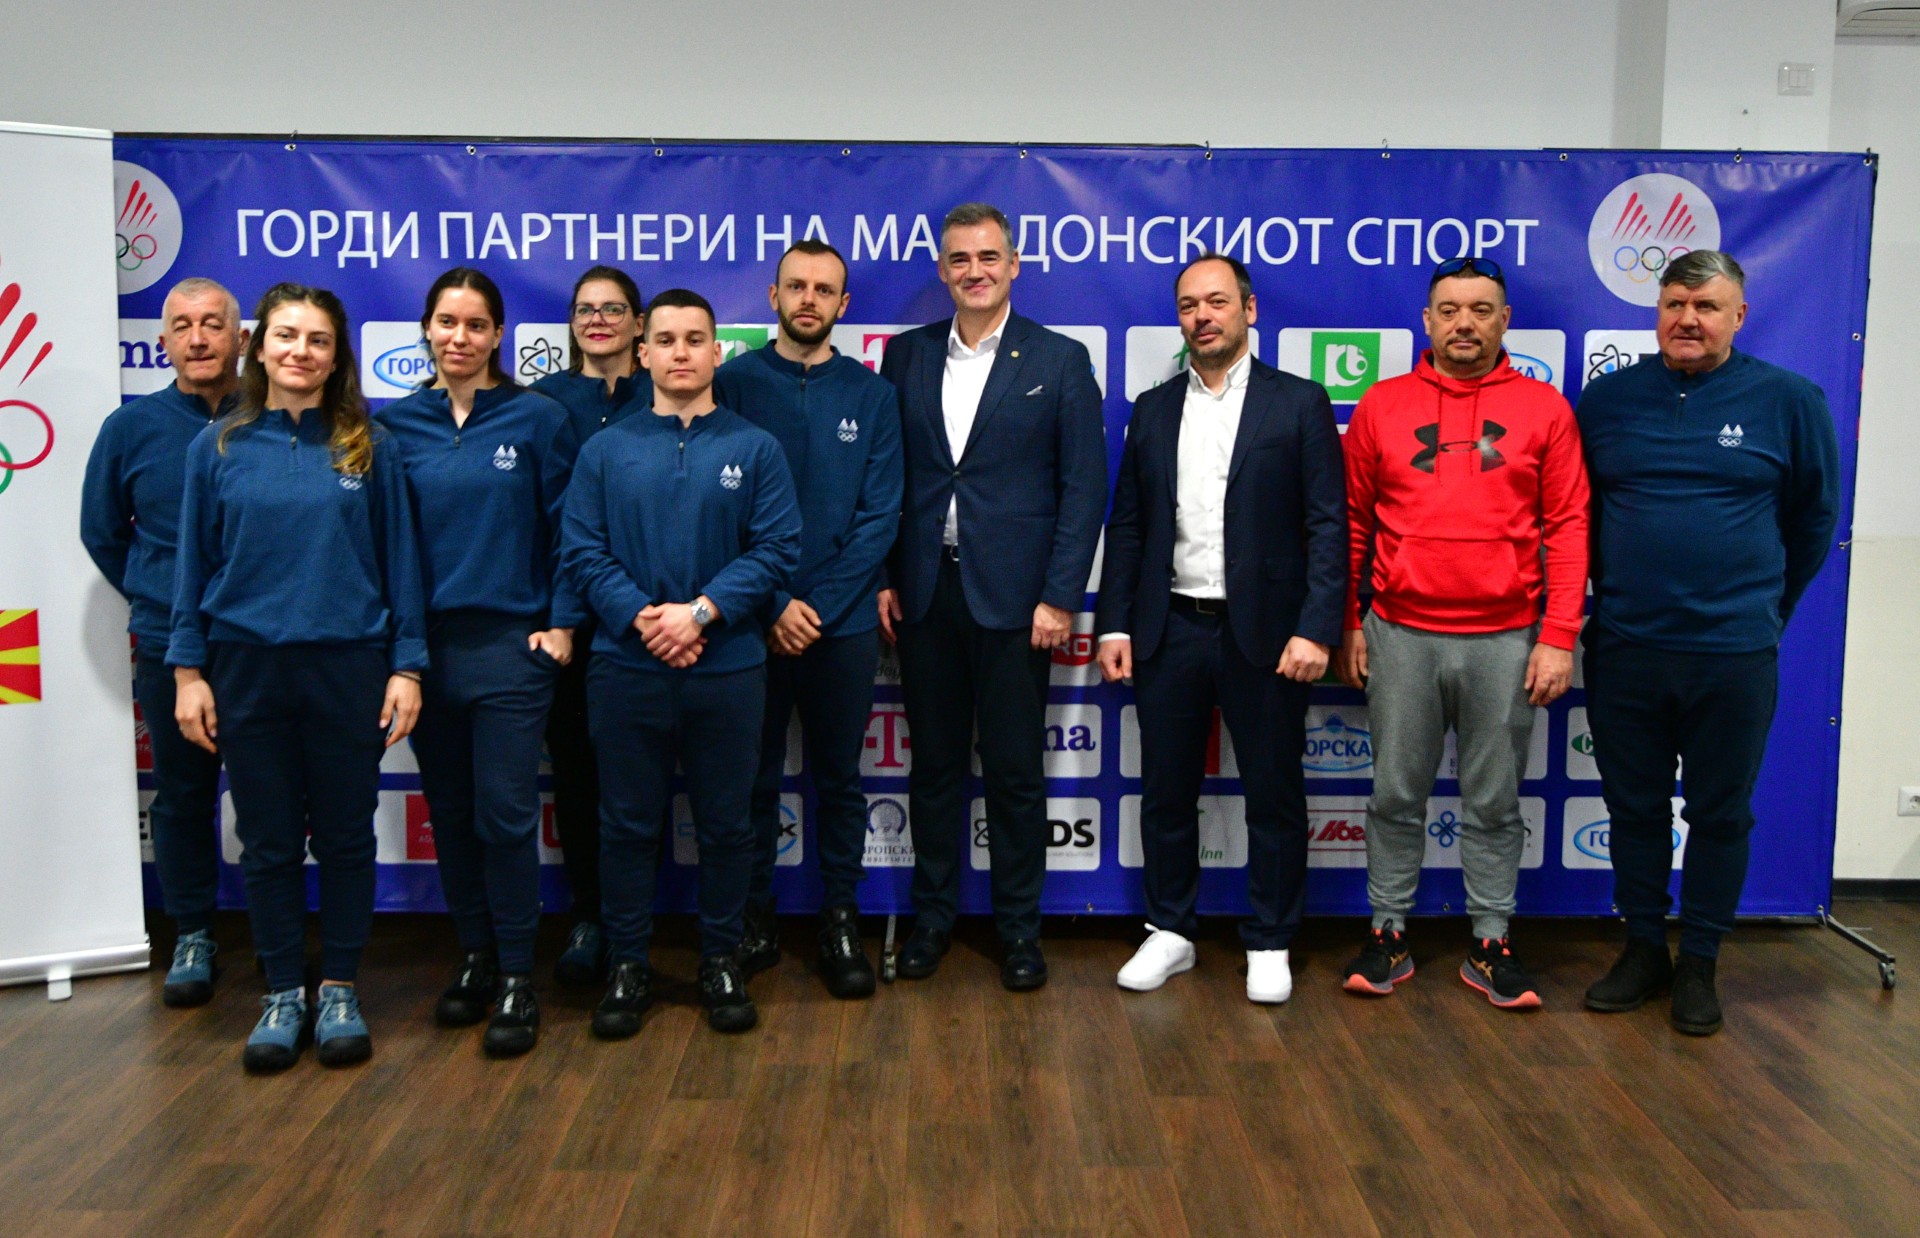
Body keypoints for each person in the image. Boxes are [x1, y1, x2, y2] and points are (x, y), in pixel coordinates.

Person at [1576, 250, 1838, 1035]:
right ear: (1657, 311)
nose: (1687, 319)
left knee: (1721, 814)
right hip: (1627, 647)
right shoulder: (1607, 400)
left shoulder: (1790, 401)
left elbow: (1815, 519)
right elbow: (1578, 515)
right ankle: (1643, 949)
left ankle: (1700, 962)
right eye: (1674, 304)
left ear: (1739, 316)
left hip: (1733, 654)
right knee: (1634, 808)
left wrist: (1765, 609)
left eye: (1707, 306)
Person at [169, 283, 427, 1072]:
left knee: (346, 836)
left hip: (348, 666)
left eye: (318, 339)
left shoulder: (369, 446)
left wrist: (406, 665)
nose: (300, 352)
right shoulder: (216, 447)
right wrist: (188, 673)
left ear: (337, 354)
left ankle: (339, 988)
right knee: (270, 841)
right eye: (286, 335)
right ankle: (283, 991)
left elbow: (401, 563)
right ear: (260, 346)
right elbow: (190, 568)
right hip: (246, 668)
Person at [1334, 256, 1588, 1011]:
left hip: (1507, 639)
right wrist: (1348, 621)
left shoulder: (1545, 409)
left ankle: (1490, 941)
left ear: (1505, 320)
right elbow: (1350, 523)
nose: (1464, 324)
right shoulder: (1383, 404)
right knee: (1394, 793)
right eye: (1449, 310)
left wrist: (1559, 635)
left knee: (1494, 801)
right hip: (1399, 633)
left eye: (1481, 310)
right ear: (1427, 321)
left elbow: (1569, 526)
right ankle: (1387, 931)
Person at [1095, 253, 1346, 1003]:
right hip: (1169, 627)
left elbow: (1327, 526)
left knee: (1274, 794)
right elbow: (1129, 526)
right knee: (1166, 792)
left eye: (1216, 302)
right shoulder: (1154, 408)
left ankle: (1270, 938)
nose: (1202, 316)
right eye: (1188, 306)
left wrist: (1317, 629)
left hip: (1267, 635)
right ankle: (1170, 930)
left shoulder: (1298, 403)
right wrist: (1113, 626)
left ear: (1248, 309)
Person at [877, 202, 1107, 991]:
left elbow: (1083, 489)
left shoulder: (1060, 358)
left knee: (1013, 774)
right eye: (959, 259)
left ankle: (1018, 931)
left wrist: (1059, 596)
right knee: (935, 770)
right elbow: (888, 478)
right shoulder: (905, 356)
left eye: (988, 257)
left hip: (1018, 603)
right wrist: (884, 577)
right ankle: (932, 922)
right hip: (925, 593)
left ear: (1013, 265)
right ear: (942, 270)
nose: (974, 271)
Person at [562, 289, 800, 1037]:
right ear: (643, 353)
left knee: (727, 825)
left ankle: (720, 957)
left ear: (716, 351)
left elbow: (777, 549)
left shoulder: (755, 448)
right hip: (626, 668)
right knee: (626, 825)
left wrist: (698, 612)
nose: (680, 353)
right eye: (665, 340)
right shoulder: (604, 451)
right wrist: (644, 617)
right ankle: (629, 963)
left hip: (727, 668)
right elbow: (582, 550)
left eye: (695, 339)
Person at [378, 268, 580, 1057]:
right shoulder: (395, 429)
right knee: (453, 815)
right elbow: (389, 549)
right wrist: (403, 656)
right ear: (426, 329)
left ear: (498, 335)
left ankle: (519, 976)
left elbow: (570, 530)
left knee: (503, 814)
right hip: (428, 656)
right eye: (445, 322)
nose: (458, 337)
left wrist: (560, 624)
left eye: (474, 324)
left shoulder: (538, 419)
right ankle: (475, 955)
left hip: (511, 651)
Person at [715, 240, 903, 998]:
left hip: (841, 626)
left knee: (840, 780)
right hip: (749, 623)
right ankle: (753, 920)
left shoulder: (872, 395)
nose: (808, 300)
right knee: (749, 781)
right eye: (796, 286)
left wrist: (814, 607)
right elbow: (717, 511)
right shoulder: (731, 385)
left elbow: (879, 517)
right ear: (773, 296)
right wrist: (770, 602)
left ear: (842, 305)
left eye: (824, 290)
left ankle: (839, 919)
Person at [81, 277, 246, 1008]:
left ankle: (281, 936)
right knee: (182, 797)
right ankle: (193, 932)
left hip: (258, 644)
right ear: (164, 341)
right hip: (168, 646)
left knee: (273, 797)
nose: (198, 338)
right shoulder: (130, 429)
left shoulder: (275, 417)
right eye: (182, 326)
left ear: (241, 338)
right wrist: (160, 595)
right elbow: (101, 531)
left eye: (213, 324)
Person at [530, 266, 651, 987]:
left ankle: (638, 923)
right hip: (569, 624)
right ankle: (589, 916)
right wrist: (561, 616)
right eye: (585, 310)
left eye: (612, 309)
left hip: (650, 623)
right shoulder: (543, 402)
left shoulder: (668, 393)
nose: (598, 320)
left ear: (639, 323)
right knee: (576, 776)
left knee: (640, 786)